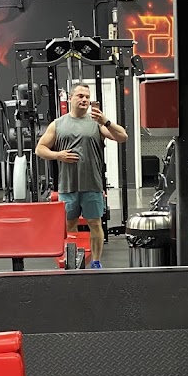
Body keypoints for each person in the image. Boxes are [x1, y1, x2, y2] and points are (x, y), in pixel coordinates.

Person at [35, 83, 128, 268]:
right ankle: (72, 261)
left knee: (95, 223)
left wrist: (106, 120)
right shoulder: (58, 124)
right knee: (69, 224)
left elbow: (122, 137)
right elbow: (40, 149)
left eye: (87, 97)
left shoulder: (97, 123)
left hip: (92, 184)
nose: (84, 99)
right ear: (70, 98)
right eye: (80, 96)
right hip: (67, 185)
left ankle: (96, 261)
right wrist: (58, 155)